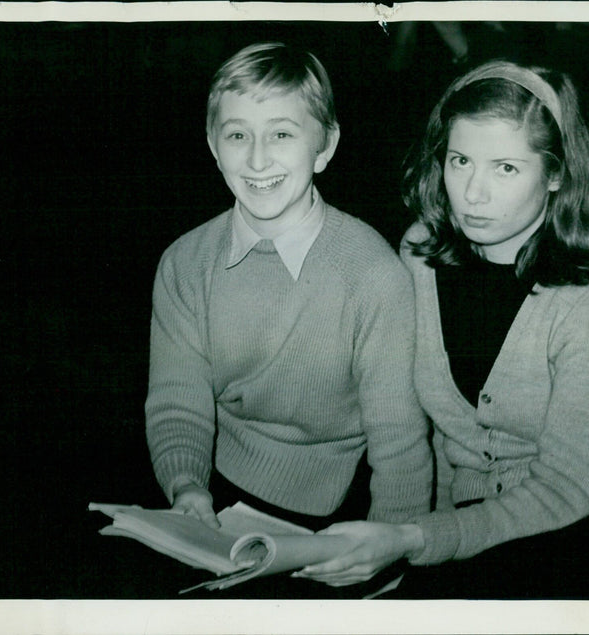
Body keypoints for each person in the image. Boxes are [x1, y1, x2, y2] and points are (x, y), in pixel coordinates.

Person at [296, 59, 589, 599]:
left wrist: (414, 540)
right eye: (460, 160)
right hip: (476, 524)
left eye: (505, 168)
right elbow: (430, 436)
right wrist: (401, 547)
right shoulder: (421, 254)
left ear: (556, 174)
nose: (472, 193)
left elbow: (565, 489)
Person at [144, 42, 432, 596]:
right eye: (236, 135)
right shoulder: (185, 262)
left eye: (281, 133)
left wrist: (391, 553)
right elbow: (178, 401)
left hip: (340, 499)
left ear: (324, 146)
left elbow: (398, 440)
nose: (256, 160)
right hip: (215, 482)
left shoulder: (372, 272)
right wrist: (186, 488)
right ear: (212, 146)